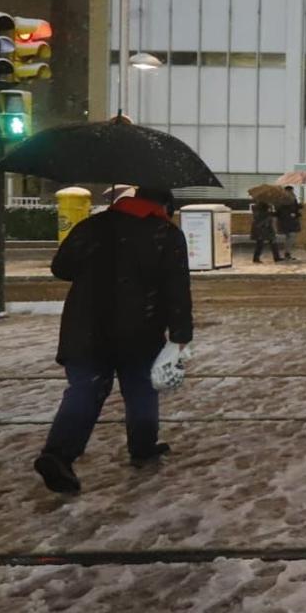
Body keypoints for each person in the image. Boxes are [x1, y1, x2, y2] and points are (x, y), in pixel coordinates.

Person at [33, 185, 192, 495]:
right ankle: (143, 446)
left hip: (85, 326)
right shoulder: (165, 234)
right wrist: (181, 334)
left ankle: (58, 454)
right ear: (162, 205)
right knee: (141, 389)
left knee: (86, 389)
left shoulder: (92, 227)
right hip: (140, 329)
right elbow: (177, 287)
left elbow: (61, 268)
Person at [274, 185, 303, 262]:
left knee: (289, 237)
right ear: (289, 191)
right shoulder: (286, 199)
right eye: (291, 191)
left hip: (287, 221)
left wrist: (298, 208)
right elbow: (289, 210)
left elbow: (295, 208)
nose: (292, 192)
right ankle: (287, 253)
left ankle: (287, 253)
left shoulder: (289, 199)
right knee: (291, 236)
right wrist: (295, 212)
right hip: (289, 221)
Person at [249, 198, 279, 264]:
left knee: (264, 243)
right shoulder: (261, 208)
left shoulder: (257, 208)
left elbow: (271, 214)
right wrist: (270, 208)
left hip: (264, 228)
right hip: (263, 228)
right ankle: (276, 257)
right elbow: (265, 216)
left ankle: (276, 257)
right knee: (266, 242)